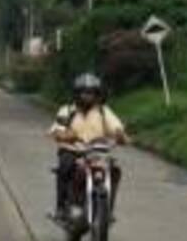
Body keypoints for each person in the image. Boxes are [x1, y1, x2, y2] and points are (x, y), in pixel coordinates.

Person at [50, 72, 128, 218]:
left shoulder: (103, 111)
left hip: (97, 152)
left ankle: (108, 210)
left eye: (91, 93)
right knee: (65, 166)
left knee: (114, 170)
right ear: (77, 93)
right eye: (84, 92)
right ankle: (61, 207)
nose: (87, 96)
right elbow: (56, 131)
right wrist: (66, 136)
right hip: (73, 151)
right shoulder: (67, 110)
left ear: (97, 94)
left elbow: (116, 126)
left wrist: (120, 135)